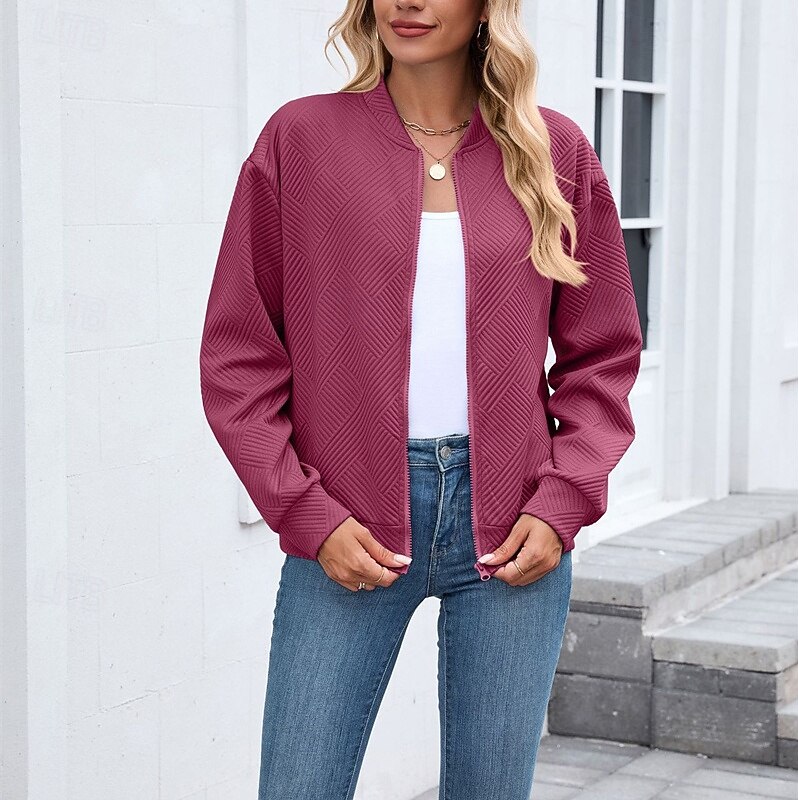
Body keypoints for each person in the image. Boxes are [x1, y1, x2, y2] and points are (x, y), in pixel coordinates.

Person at [198, 1, 643, 798]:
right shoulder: (301, 140)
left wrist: (563, 500)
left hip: (512, 524)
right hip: (346, 521)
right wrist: (304, 511)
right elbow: (239, 356)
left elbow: (603, 353)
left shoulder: (555, 150)